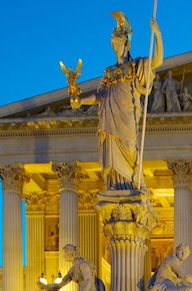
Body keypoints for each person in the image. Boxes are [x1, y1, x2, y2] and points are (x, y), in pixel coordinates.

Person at [67, 11, 163, 190]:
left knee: (130, 152)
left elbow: (157, 60)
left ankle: (131, 188)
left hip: (127, 119)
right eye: (114, 43)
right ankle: (117, 190)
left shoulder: (136, 66)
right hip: (110, 122)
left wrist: (157, 34)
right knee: (112, 160)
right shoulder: (108, 73)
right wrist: (80, 100)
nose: (116, 47)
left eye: (119, 43)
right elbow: (99, 96)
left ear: (126, 44)